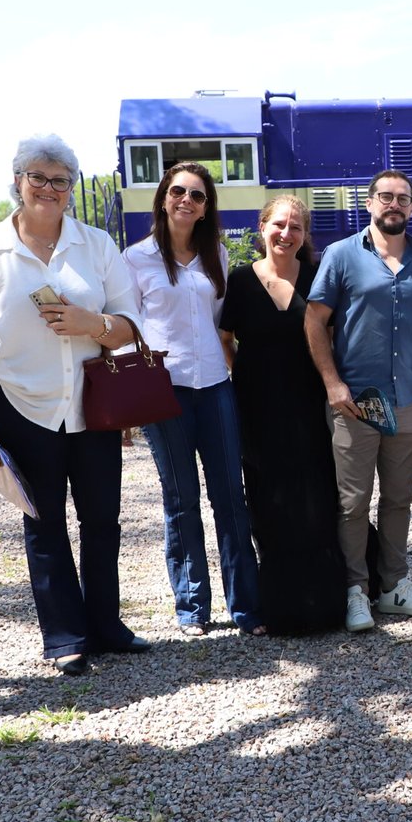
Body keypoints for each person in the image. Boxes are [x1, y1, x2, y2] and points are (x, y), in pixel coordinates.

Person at [0, 135, 147, 677]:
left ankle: (106, 626)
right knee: (44, 524)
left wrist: (93, 325)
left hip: (92, 405)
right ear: (16, 181)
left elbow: (131, 326)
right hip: (19, 403)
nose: (47, 188)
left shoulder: (96, 247)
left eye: (60, 180)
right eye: (36, 176)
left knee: (102, 519)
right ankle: (64, 636)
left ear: (71, 189)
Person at [305, 170, 412, 633]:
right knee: (352, 501)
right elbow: (314, 321)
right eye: (385, 197)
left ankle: (393, 586)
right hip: (355, 401)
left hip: (408, 398)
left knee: (400, 498)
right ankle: (355, 591)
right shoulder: (342, 255)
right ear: (369, 203)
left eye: (403, 199)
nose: (394, 205)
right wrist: (332, 383)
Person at [123, 162, 261, 637]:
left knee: (230, 497)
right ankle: (192, 606)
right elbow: (125, 330)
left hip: (216, 389)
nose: (187, 200)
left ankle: (246, 605)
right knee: (180, 500)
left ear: (206, 209)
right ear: (163, 198)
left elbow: (224, 325)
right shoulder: (135, 259)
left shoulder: (216, 256)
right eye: (178, 191)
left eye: (198, 196)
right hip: (164, 394)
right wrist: (128, 405)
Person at [221, 195, 347, 635]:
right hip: (256, 408)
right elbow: (225, 338)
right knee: (267, 505)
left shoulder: (316, 278)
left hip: (309, 406)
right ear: (261, 228)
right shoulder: (239, 281)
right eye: (278, 224)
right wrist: (246, 374)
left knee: (316, 502)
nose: (286, 233)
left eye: (296, 227)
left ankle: (325, 606)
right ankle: (280, 609)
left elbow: (330, 337)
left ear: (305, 236)